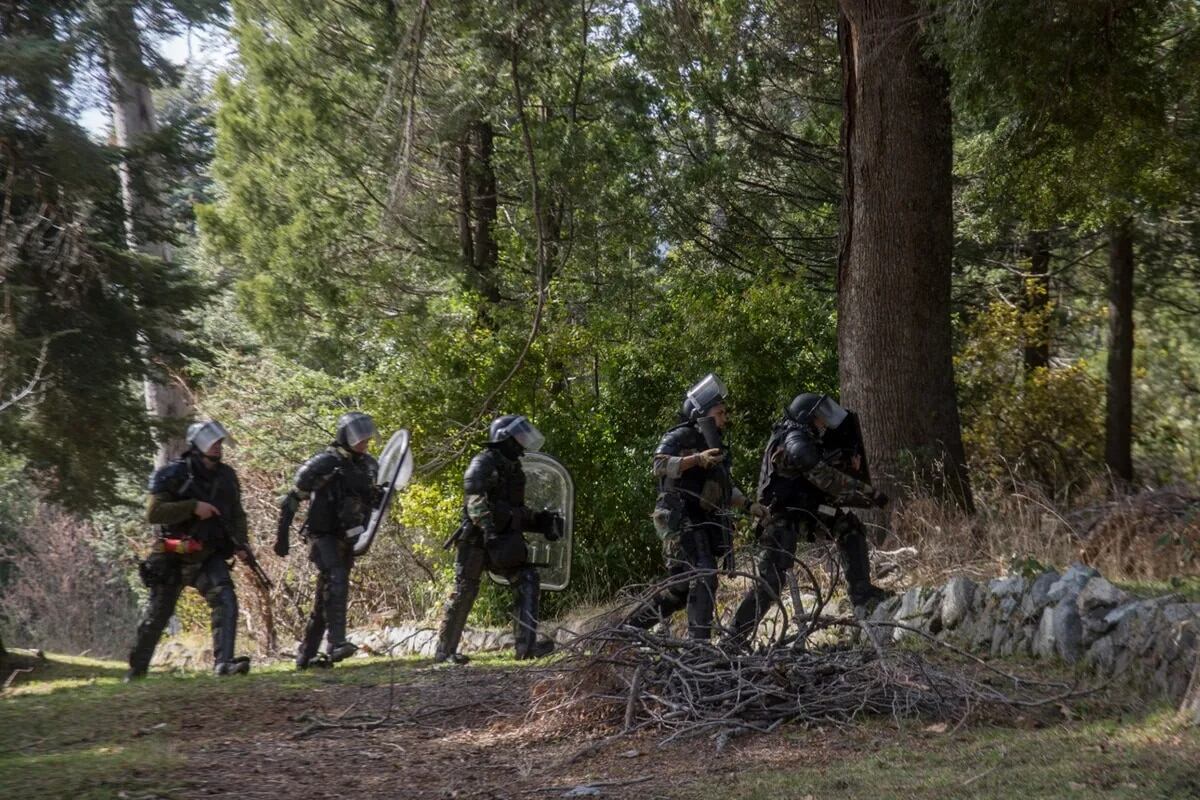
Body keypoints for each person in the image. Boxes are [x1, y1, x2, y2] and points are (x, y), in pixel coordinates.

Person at [727, 393, 889, 649]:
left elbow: (822, 471)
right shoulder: (794, 439)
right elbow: (824, 477)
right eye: (818, 418)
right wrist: (868, 493)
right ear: (806, 417)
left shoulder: (808, 438)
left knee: (850, 528)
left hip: (808, 511)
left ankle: (862, 594)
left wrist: (848, 464)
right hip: (782, 517)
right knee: (772, 580)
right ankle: (732, 639)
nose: (823, 423)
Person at [626, 374, 760, 640]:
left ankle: (626, 630)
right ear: (702, 414)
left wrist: (749, 505)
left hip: (701, 520)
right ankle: (698, 647)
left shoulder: (717, 445)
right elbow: (659, 466)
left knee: (679, 592)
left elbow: (722, 487)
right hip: (679, 518)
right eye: (719, 413)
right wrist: (696, 459)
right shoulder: (680, 435)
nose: (724, 419)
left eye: (724, 413)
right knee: (704, 575)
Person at [127, 420, 252, 680]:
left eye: (219, 443)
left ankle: (224, 663)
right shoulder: (171, 474)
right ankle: (136, 671)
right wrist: (193, 506)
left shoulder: (226, 476)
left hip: (208, 553)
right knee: (157, 614)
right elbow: (154, 513)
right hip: (172, 554)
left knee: (225, 600)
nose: (217, 447)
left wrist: (241, 543)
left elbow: (237, 515)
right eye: (212, 443)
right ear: (198, 445)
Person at [434, 415, 563, 664]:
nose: (523, 442)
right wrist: (489, 532)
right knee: (465, 591)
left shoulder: (514, 469)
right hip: (476, 540)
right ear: (505, 437)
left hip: (500, 538)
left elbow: (514, 511)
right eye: (519, 437)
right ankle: (444, 652)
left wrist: (541, 521)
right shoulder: (483, 463)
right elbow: (475, 502)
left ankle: (525, 648)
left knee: (526, 578)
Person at [275, 412, 382, 669]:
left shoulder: (368, 466)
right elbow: (291, 500)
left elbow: (372, 501)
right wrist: (282, 537)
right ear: (345, 436)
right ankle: (336, 643)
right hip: (322, 536)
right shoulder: (324, 463)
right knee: (336, 579)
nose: (364, 441)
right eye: (359, 435)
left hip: (347, 537)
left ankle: (306, 656)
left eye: (366, 436)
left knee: (326, 599)